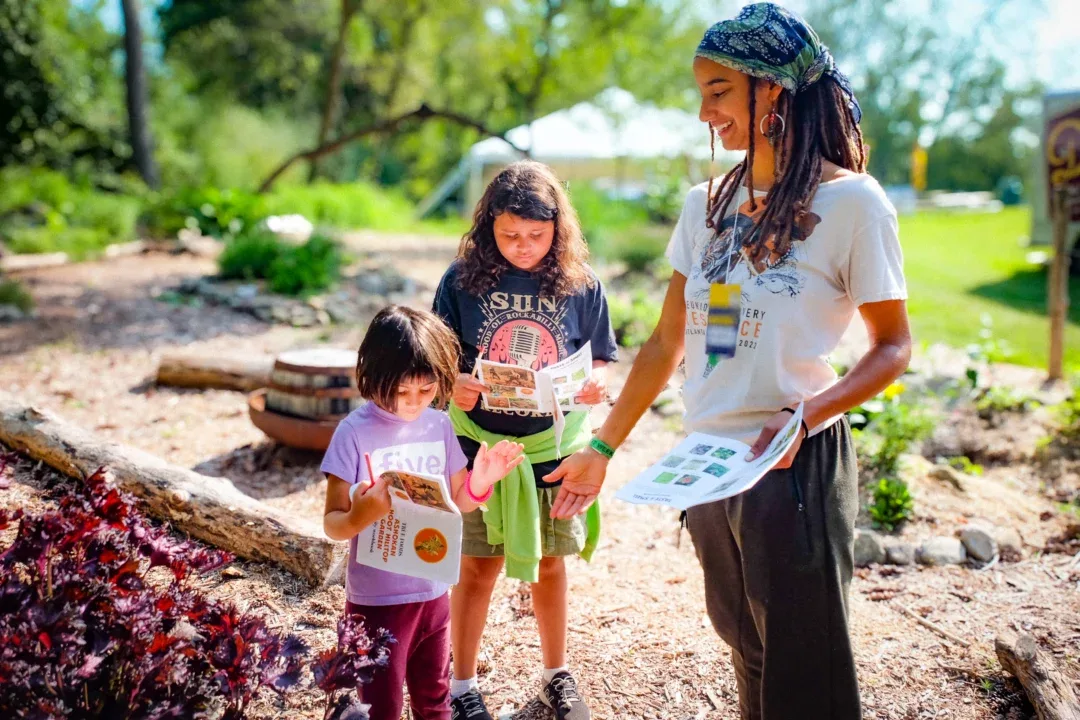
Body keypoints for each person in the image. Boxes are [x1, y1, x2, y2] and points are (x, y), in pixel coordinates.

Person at [545, 4, 911, 718]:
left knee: (809, 669)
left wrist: (806, 418)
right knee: (748, 649)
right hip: (710, 462)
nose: (704, 111)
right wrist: (602, 445)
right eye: (701, 92)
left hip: (792, 460)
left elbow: (894, 346)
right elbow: (666, 341)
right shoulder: (706, 204)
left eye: (718, 91)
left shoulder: (853, 204)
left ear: (771, 89)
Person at [433, 160, 618, 720]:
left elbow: (604, 356)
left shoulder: (581, 283)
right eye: (509, 234)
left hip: (552, 446)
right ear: (488, 224)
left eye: (537, 236)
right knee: (476, 566)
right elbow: (436, 357)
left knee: (552, 565)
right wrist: (455, 384)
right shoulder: (461, 280)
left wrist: (597, 384)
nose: (523, 246)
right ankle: (461, 685)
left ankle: (555, 676)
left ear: (557, 229)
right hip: (478, 447)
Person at [322, 305, 524, 720]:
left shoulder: (440, 425)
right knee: (382, 706)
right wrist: (364, 513)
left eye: (426, 390)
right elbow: (333, 523)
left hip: (434, 591)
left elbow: (458, 501)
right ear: (373, 376)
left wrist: (482, 481)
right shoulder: (354, 432)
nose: (413, 403)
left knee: (435, 698)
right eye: (400, 391)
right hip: (377, 601)